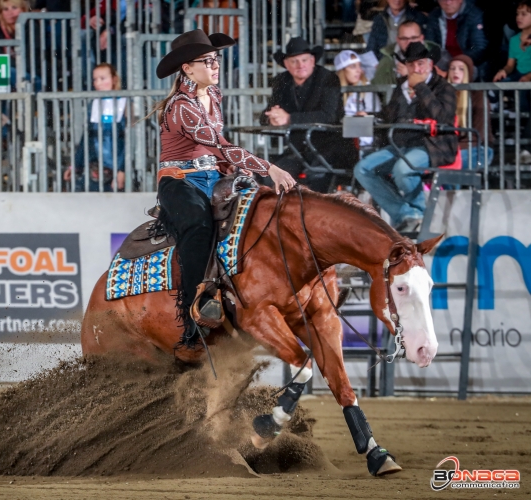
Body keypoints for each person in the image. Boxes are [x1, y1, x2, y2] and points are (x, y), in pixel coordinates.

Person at [153, 30, 295, 346]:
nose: (215, 65)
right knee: (200, 228)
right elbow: (220, 144)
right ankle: (194, 319)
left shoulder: (214, 95)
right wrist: (268, 167)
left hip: (211, 176)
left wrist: (226, 167)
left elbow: (216, 151)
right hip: (179, 181)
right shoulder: (180, 106)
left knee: (255, 211)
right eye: (207, 61)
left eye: (216, 59)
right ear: (187, 68)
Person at [354, 42, 457, 233]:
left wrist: (420, 87)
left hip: (431, 145)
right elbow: (388, 117)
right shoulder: (400, 87)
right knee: (363, 169)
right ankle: (406, 214)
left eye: (420, 64)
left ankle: (419, 215)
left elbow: (444, 118)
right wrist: (369, 117)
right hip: (399, 144)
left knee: (403, 169)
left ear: (429, 64)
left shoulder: (443, 87)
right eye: (411, 65)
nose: (415, 69)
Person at [261, 37, 359, 192]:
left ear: (312, 60)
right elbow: (266, 114)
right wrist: (272, 118)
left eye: (304, 60)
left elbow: (329, 116)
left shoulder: (328, 78)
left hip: (329, 148)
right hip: (297, 149)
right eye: (294, 61)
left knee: (315, 178)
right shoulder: (281, 81)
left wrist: (289, 118)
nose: (300, 65)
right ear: (286, 64)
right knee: (270, 176)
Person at [65, 63, 126, 192]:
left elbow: (129, 141)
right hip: (94, 169)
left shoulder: (124, 103)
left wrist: (122, 170)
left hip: (115, 169)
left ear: (114, 79)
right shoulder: (93, 103)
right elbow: (86, 138)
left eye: (102, 78)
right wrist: (75, 166)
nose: (98, 83)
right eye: (95, 79)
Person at [449, 55, 493, 169]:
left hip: (476, 148)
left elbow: (479, 134)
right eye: (452, 68)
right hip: (451, 148)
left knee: (450, 163)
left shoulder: (478, 96)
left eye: (461, 69)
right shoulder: (443, 96)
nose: (456, 72)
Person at [424, 0, 487, 72]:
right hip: (441, 64)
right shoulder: (434, 16)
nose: (448, 2)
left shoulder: (474, 15)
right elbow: (430, 45)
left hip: (466, 65)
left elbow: (479, 48)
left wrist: (455, 65)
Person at [372, 20, 442, 85]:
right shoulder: (387, 59)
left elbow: (441, 85)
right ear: (398, 40)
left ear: (421, 38)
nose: (409, 42)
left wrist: (409, 75)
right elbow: (379, 88)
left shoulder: (436, 55)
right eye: (404, 38)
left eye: (414, 38)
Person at [335, 50, 380, 148]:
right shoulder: (334, 91)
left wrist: (367, 115)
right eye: (353, 67)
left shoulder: (366, 88)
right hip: (340, 139)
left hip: (364, 140)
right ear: (342, 70)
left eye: (359, 65)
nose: (358, 70)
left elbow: (378, 115)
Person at [493, 0, 531, 84]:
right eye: (517, 14)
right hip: (519, 75)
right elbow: (510, 65)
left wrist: (528, 77)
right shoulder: (514, 40)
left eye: (523, 14)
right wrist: (504, 71)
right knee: (495, 90)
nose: (518, 17)